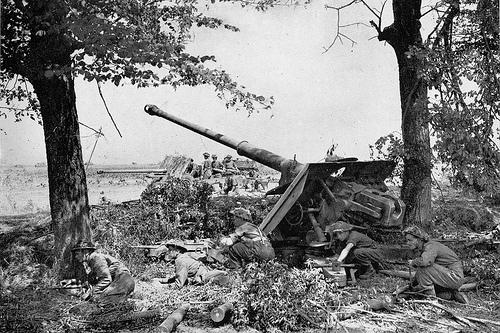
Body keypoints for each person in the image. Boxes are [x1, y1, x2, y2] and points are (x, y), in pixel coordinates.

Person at [403, 226, 468, 303]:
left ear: (419, 240)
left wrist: (413, 262)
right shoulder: (426, 247)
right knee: (421, 291)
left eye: (410, 240)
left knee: (424, 268)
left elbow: (424, 262)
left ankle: (431, 299)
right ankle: (453, 294)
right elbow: (421, 274)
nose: (407, 243)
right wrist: (410, 286)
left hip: (455, 277)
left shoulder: (431, 246)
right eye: (407, 240)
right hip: (451, 276)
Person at [61, 240, 135, 305]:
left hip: (123, 280)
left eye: (77, 254)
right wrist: (70, 282)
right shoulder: (92, 263)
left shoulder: (96, 258)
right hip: (120, 281)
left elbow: (106, 279)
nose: (76, 257)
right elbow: (87, 281)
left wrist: (91, 293)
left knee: (100, 299)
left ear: (86, 252)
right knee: (98, 298)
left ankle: (128, 302)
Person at [161, 242, 228, 288]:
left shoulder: (181, 261)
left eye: (170, 250)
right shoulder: (183, 257)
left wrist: (164, 286)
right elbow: (180, 276)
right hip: (201, 273)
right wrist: (167, 280)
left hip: (203, 276)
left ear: (178, 251)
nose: (168, 252)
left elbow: (179, 284)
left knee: (221, 277)